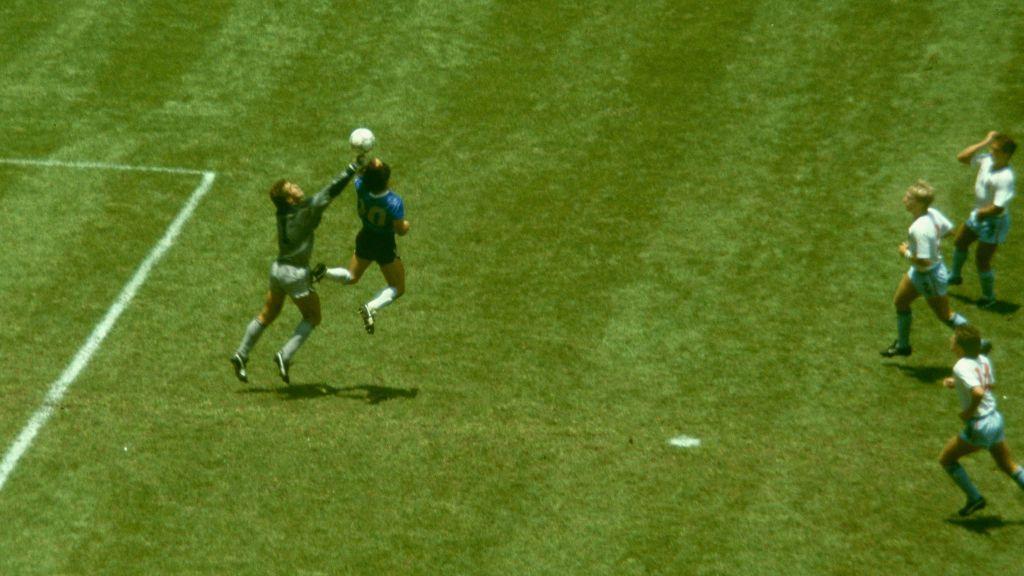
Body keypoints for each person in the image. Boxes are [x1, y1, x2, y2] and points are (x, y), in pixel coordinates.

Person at [229, 155, 364, 384]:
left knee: (268, 314)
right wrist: (352, 168)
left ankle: (241, 354)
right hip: (295, 273)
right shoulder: (305, 211)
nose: (298, 186)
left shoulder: (282, 212)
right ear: (290, 199)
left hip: (277, 269)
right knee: (313, 316)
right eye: (292, 187)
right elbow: (330, 191)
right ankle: (285, 354)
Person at [315, 158, 410, 335]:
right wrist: (406, 224)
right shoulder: (394, 202)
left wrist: (362, 160)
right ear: (386, 179)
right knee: (398, 287)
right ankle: (370, 307)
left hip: (365, 237)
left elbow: (361, 176)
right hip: (384, 244)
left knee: (351, 277)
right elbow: (400, 230)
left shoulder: (361, 187)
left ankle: (325, 272)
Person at [881, 180, 975, 357]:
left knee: (945, 315)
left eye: (909, 197)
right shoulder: (931, 213)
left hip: (928, 275)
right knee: (900, 302)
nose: (904, 199)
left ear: (920, 203)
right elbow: (950, 230)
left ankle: (977, 340)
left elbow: (924, 261)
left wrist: (906, 252)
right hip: (919, 272)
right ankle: (903, 346)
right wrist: (932, 242)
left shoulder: (919, 228)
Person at [938, 325, 1024, 516]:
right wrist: (957, 383)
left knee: (947, 459)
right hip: (995, 419)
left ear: (960, 346)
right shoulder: (984, 359)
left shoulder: (960, 366)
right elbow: (988, 384)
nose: (951, 341)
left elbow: (977, 391)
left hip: (979, 424)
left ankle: (975, 498)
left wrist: (967, 413)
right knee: (1008, 465)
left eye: (953, 339)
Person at [947, 131, 1017, 308]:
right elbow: (962, 157)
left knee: (982, 260)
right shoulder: (987, 160)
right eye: (991, 148)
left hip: (993, 222)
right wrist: (984, 142)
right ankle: (955, 276)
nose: (991, 152)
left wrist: (980, 215)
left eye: (996, 150)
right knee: (960, 241)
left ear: (1007, 154)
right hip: (979, 214)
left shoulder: (1006, 177)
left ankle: (989, 297)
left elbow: (998, 207)